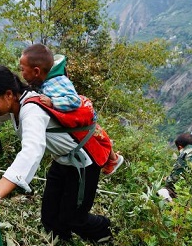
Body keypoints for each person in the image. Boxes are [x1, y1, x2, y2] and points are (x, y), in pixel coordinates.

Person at [0, 64, 113, 243]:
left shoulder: (31, 110)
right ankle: (61, 244)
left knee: (74, 218)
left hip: (83, 165)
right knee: (49, 217)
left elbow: (32, 150)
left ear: (8, 94)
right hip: (61, 162)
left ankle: (105, 232)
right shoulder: (15, 104)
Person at [18, 43, 124, 175]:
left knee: (97, 137)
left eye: (22, 69)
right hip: (75, 121)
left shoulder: (56, 82)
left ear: (36, 71)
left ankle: (113, 159)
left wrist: (53, 102)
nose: (21, 73)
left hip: (78, 118)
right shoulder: (45, 80)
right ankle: (112, 159)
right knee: (98, 135)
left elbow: (74, 101)